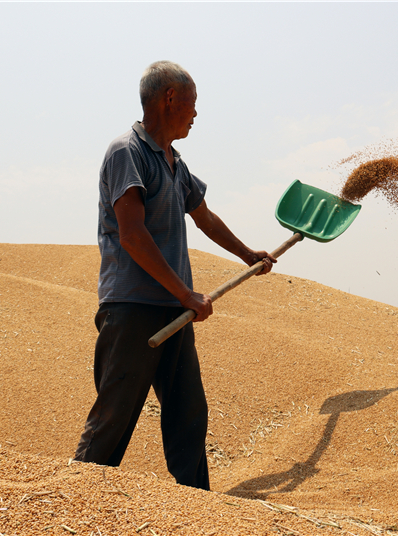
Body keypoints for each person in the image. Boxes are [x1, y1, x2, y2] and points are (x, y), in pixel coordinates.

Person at [73, 61, 275, 490]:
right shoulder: (126, 152)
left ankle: (197, 506)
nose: (196, 113)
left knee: (188, 414)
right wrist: (186, 293)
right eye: (193, 103)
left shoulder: (174, 163)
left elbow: (204, 217)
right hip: (132, 308)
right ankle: (77, 498)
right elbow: (132, 236)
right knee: (115, 414)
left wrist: (247, 255)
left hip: (173, 310)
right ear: (169, 98)